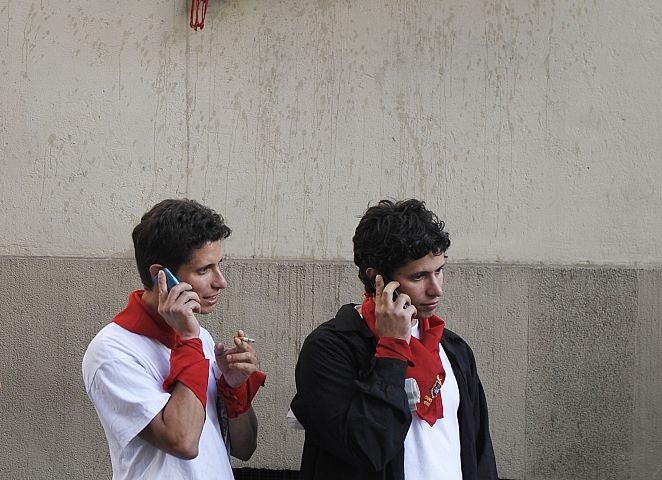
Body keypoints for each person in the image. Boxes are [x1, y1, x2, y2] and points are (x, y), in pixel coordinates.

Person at [290, 198, 498, 480]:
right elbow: (368, 448)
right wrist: (392, 348)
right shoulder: (329, 349)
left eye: (439, 271)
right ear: (377, 279)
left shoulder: (452, 348)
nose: (436, 289)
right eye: (419, 276)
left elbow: (480, 452)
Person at [82, 199, 265, 480]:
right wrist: (189, 340)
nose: (221, 281)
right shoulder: (111, 351)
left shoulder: (200, 338)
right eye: (204, 270)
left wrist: (234, 389)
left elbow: (245, 448)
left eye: (219, 265)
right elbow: (183, 441)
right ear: (161, 277)